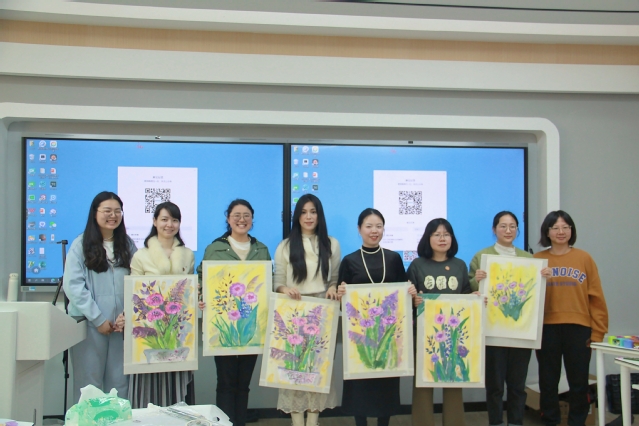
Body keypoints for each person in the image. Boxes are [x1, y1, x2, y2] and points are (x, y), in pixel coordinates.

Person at [468, 211, 551, 426]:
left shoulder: (529, 259)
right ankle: (495, 422)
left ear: (517, 230)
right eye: (503, 226)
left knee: (517, 385)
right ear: (494, 229)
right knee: (495, 385)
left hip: (521, 332)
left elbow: (535, 293)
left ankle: (516, 422)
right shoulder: (481, 256)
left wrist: (544, 278)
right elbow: (471, 290)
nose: (508, 230)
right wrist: (477, 280)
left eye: (512, 226)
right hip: (492, 331)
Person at [336, 208, 416, 426]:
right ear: (359, 229)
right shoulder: (350, 260)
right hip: (360, 336)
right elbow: (341, 300)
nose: (374, 231)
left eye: (379, 226)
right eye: (369, 226)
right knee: (359, 384)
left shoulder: (393, 258)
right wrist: (341, 293)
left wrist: (410, 291)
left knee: (386, 383)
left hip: (388, 334)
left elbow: (403, 291)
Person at [196, 199, 271, 426]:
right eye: (236, 215)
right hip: (223, 326)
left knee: (244, 383)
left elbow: (268, 283)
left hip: (251, 327)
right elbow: (201, 279)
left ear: (252, 219)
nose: (241, 219)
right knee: (226, 382)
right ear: (228, 219)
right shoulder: (215, 249)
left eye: (246, 215)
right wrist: (201, 297)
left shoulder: (261, 250)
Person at [533, 211, 608, 426]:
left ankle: (577, 422)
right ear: (547, 232)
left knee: (579, 382)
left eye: (565, 227)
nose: (561, 232)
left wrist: (598, 332)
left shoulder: (584, 258)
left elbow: (596, 298)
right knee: (548, 382)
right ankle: (550, 420)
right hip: (546, 328)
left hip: (579, 329)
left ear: (571, 230)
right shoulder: (537, 260)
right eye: (555, 227)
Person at [273, 194, 341, 426]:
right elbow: (277, 282)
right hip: (294, 312)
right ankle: (296, 421)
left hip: (323, 312)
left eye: (313, 212)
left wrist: (332, 287)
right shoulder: (285, 246)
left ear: (319, 215)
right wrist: (285, 289)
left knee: (318, 368)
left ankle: (313, 420)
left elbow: (334, 279)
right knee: (294, 367)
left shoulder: (331, 244)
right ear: (297, 216)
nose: (308, 217)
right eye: (303, 212)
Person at [63, 191, 136, 403]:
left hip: (121, 327)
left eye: (117, 211)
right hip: (90, 325)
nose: (113, 215)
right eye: (107, 211)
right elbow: (74, 286)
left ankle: (119, 419)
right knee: (89, 384)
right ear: (95, 213)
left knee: (120, 384)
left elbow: (139, 281)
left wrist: (127, 315)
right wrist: (98, 319)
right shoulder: (80, 245)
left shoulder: (127, 245)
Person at [122, 201, 195, 407]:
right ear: (155, 221)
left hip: (178, 330)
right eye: (164, 219)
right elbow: (133, 294)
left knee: (177, 382)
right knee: (150, 384)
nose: (169, 225)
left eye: (174, 220)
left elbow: (189, 291)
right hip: (149, 329)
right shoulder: (141, 255)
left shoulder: (188, 254)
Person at [408, 218, 472, 426]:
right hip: (424, 335)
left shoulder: (460, 265)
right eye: (437, 234)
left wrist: (475, 298)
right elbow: (407, 300)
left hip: (453, 336)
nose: (442, 238)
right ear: (428, 238)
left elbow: (466, 296)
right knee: (422, 385)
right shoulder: (417, 265)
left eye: (446, 234)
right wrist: (413, 300)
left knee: (453, 381)